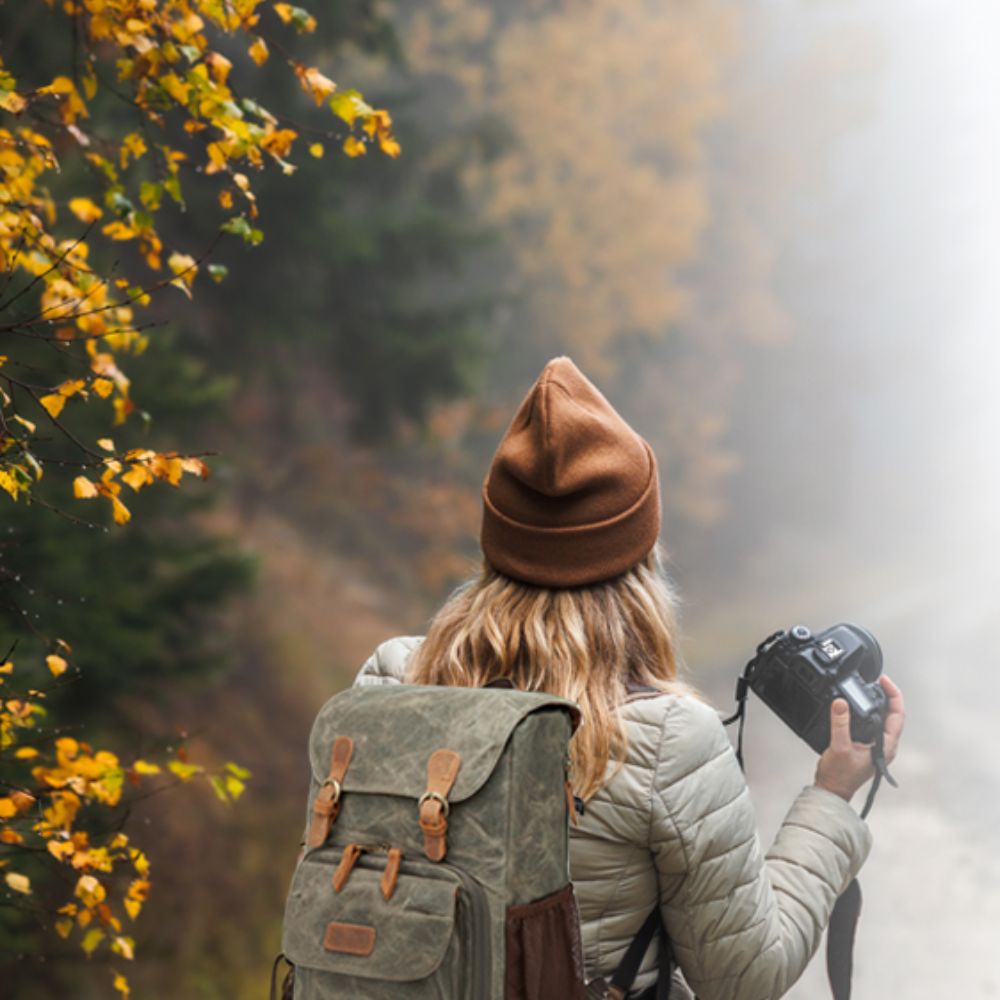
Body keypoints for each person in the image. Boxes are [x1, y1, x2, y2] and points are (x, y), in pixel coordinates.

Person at [352, 356, 905, 1000]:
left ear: (496, 545)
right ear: (639, 564)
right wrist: (833, 799)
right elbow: (745, 979)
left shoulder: (390, 680)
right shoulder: (665, 738)